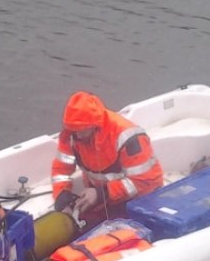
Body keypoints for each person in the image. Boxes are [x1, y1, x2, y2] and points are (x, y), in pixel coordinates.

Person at [51, 91, 164, 228]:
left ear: (94, 125)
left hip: (142, 199)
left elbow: (144, 182)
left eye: (82, 130)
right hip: (103, 197)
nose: (78, 135)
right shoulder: (71, 135)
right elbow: (61, 171)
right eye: (75, 130)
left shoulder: (128, 138)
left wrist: (101, 193)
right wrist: (61, 196)